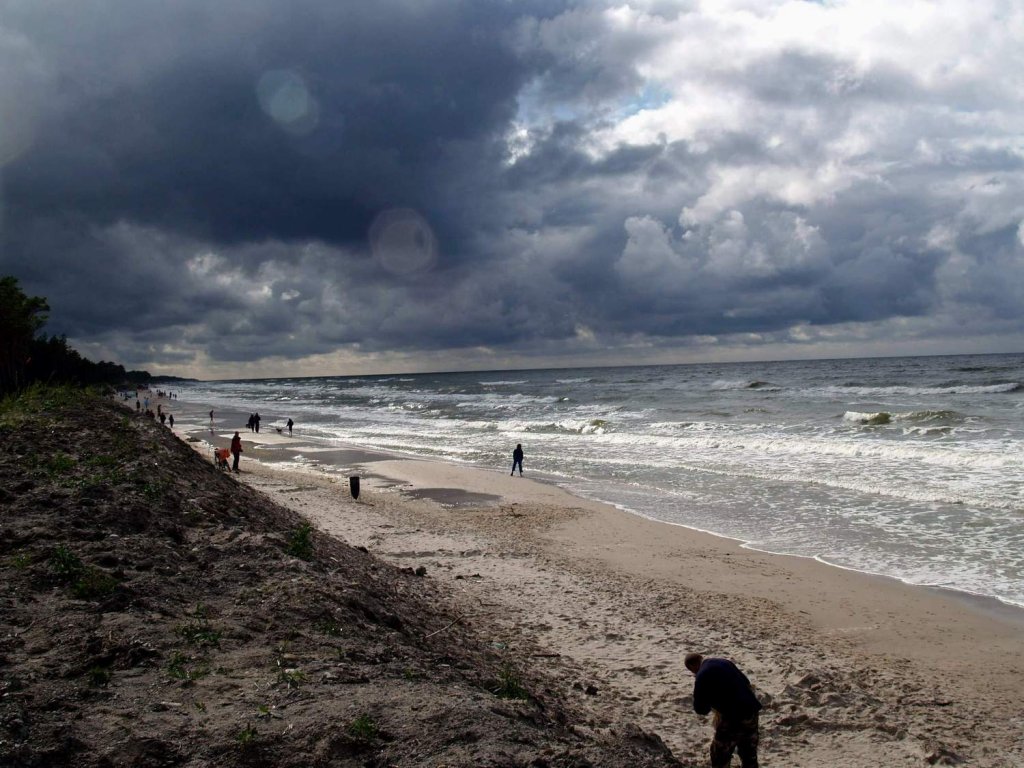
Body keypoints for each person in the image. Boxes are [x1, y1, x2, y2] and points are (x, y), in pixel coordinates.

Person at [684, 653, 762, 768]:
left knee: (719, 755)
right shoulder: (724, 662)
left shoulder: (701, 676)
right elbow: (746, 682)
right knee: (749, 754)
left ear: (692, 667)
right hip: (751, 710)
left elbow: (701, 709)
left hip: (733, 718)